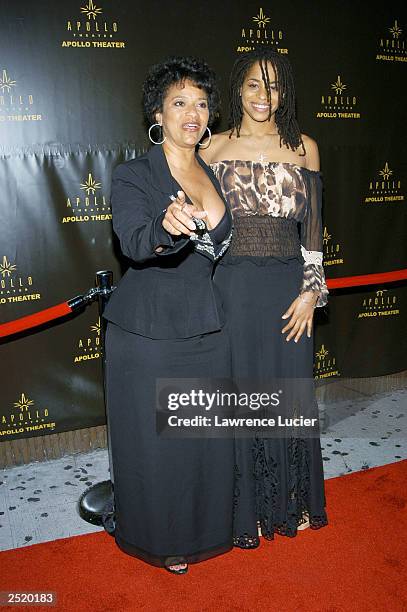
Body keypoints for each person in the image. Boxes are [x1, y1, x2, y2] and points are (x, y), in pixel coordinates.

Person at [102, 56, 234, 574]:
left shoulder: (211, 172)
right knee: (156, 447)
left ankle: (206, 529)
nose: (192, 114)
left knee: (200, 438)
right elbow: (134, 241)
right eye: (179, 103)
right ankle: (160, 539)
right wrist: (166, 224)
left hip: (206, 324)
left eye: (201, 104)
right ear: (158, 111)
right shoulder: (134, 173)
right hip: (149, 330)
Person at [200, 48, 328, 548]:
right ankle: (245, 508)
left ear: (285, 93)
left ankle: (290, 501)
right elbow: (198, 224)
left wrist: (310, 294)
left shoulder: (305, 149)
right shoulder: (212, 147)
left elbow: (314, 234)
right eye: (253, 84)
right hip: (230, 286)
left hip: (286, 290)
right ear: (238, 88)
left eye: (273, 86)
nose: (262, 96)